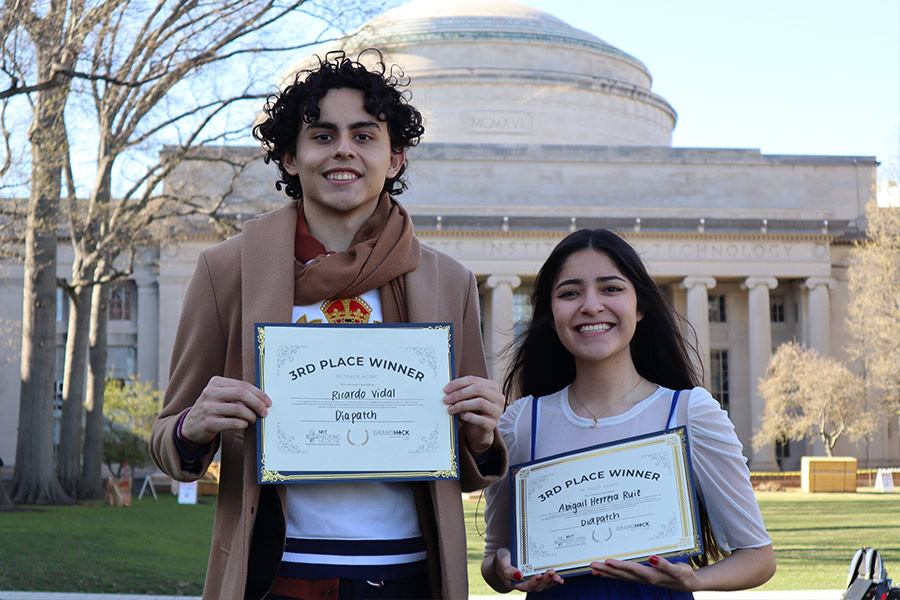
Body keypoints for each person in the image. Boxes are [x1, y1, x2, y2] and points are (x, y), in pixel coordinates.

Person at [150, 50, 508, 600]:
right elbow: (169, 440)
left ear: (395, 159)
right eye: (322, 135)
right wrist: (193, 425)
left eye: (365, 136)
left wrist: (482, 436)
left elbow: (471, 463)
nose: (344, 149)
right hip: (279, 572)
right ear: (290, 158)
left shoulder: (448, 280)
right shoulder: (226, 270)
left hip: (410, 573)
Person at [481, 228, 775, 598]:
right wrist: (505, 570)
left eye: (611, 289)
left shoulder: (689, 413)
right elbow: (494, 561)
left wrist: (696, 580)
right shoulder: (521, 423)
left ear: (639, 306)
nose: (590, 305)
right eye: (569, 293)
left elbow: (759, 557)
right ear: (551, 313)